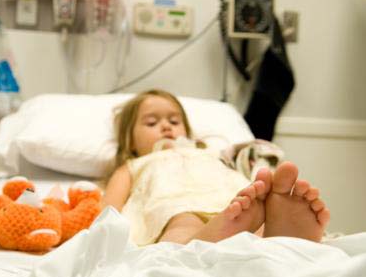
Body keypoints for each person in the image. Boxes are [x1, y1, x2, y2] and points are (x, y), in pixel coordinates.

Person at [103, 89, 331, 246]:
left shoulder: (209, 152)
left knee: (249, 211)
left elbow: (238, 173)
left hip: (229, 200)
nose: (165, 127)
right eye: (152, 123)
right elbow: (108, 211)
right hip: (174, 203)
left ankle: (273, 232)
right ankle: (195, 244)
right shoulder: (133, 165)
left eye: (174, 121)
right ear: (130, 141)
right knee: (182, 223)